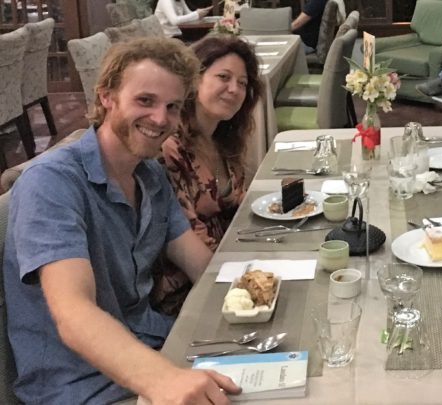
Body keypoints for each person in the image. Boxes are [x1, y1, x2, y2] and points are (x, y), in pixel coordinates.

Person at [3, 37, 241, 404]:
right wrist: (162, 379)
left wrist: (258, 289)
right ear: (106, 97)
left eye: (172, 106)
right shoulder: (51, 184)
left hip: (156, 346)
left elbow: (201, 266)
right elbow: (73, 313)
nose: (160, 119)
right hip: (81, 387)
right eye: (145, 101)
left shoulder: (150, 176)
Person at [152, 35, 261, 315]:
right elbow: (189, 239)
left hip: (229, 264)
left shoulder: (224, 138)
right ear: (195, 78)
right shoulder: (170, 147)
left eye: (243, 83)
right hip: (190, 289)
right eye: (223, 77)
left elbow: (238, 205)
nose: (234, 89)